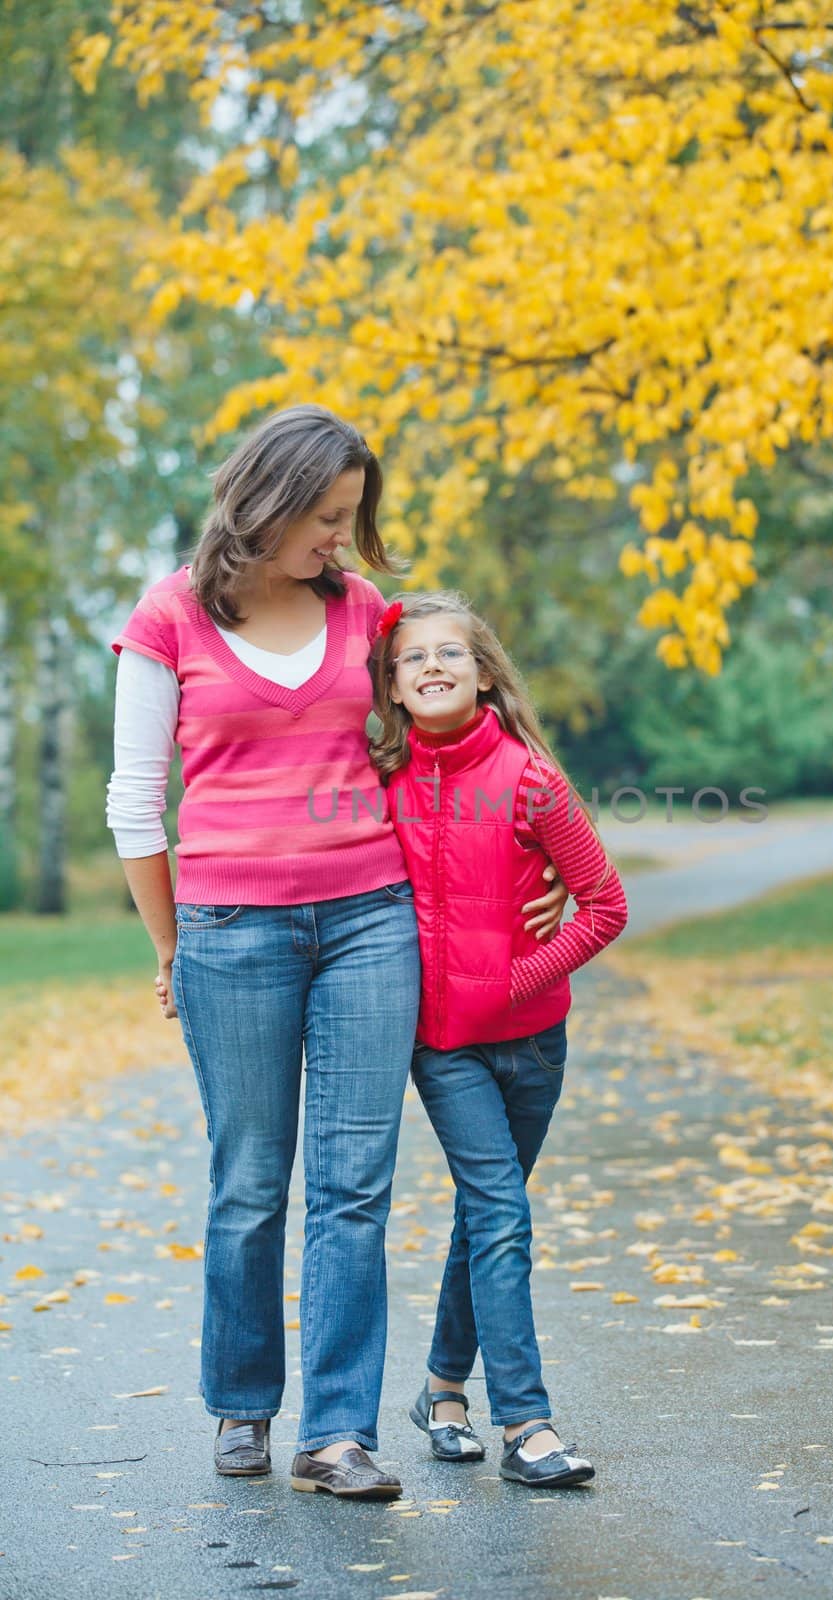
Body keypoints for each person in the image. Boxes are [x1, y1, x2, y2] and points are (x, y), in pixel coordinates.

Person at [105, 405, 566, 1498]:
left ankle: (337, 1433)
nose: (341, 540)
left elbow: (470, 725)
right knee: (251, 1177)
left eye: (351, 517)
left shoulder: (365, 613)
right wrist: (173, 945)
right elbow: (136, 803)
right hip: (230, 930)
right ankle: (241, 1403)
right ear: (264, 504)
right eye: (325, 517)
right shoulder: (169, 616)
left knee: (355, 1183)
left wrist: (541, 855)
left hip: (370, 920)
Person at [369, 591, 628, 1488]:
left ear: (483, 674)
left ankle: (442, 1392)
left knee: (486, 1215)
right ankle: (529, 1425)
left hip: (533, 1042)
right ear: (393, 686)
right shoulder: (376, 784)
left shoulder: (530, 780)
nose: (433, 666)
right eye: (412, 658)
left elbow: (605, 906)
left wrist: (513, 980)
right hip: (442, 1046)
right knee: (501, 1212)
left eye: (452, 653)